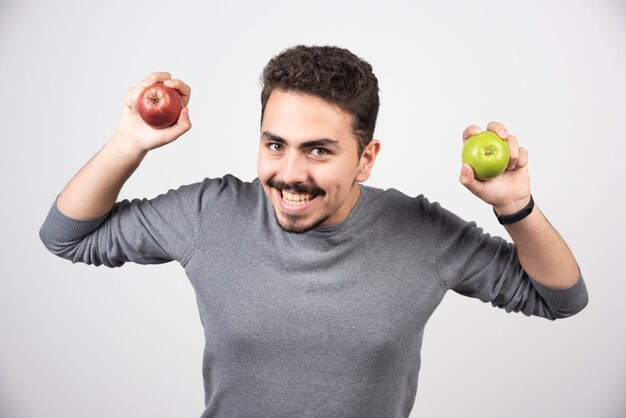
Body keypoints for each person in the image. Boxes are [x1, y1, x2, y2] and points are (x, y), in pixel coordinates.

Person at [40, 45, 588, 417]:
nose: (290, 174)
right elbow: (68, 235)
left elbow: (559, 298)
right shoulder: (211, 212)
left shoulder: (420, 233)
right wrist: (129, 141)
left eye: (319, 151)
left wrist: (517, 207)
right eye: (274, 144)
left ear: (366, 158)